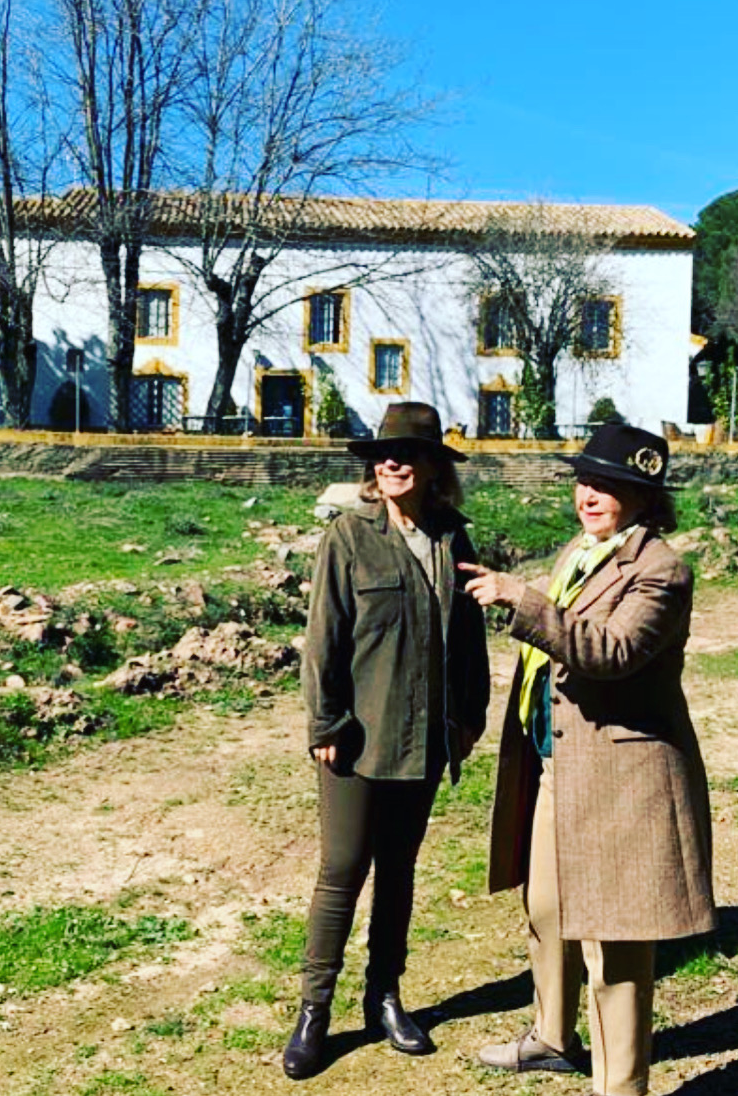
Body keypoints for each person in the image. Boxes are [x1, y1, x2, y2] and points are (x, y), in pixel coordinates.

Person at [462, 422, 715, 1096]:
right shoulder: (582, 551)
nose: (590, 495)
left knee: (615, 944)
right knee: (546, 908)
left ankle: (620, 1086)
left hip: (624, 779)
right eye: (585, 480)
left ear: (645, 498)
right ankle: (553, 1037)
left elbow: (611, 651)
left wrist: (522, 600)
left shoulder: (661, 570)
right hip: (562, 764)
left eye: (610, 485)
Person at [283, 401, 490, 1080]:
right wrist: (326, 723)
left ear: (433, 467)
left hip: (425, 738)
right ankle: (314, 1011)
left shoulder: (452, 538)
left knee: (398, 871)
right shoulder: (349, 535)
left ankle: (385, 996)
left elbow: (470, 639)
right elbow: (323, 638)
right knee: (343, 871)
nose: (393, 463)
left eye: (407, 454)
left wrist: (470, 714)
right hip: (358, 738)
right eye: (383, 455)